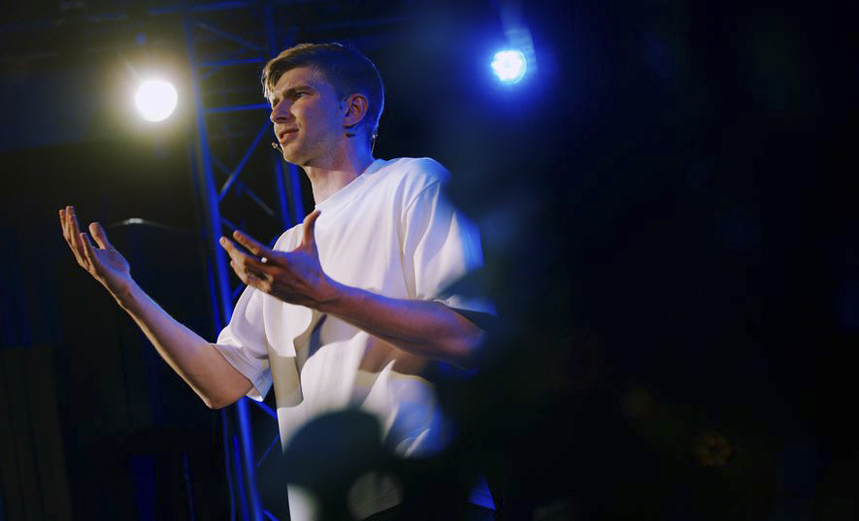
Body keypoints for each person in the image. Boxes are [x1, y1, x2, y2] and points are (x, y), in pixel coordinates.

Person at [59, 42, 495, 520]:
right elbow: (221, 384)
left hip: (422, 491)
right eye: (273, 102)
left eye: (298, 94)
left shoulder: (413, 182)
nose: (277, 113)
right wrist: (128, 293)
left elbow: (467, 336)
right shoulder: (287, 250)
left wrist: (328, 296)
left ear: (352, 110)